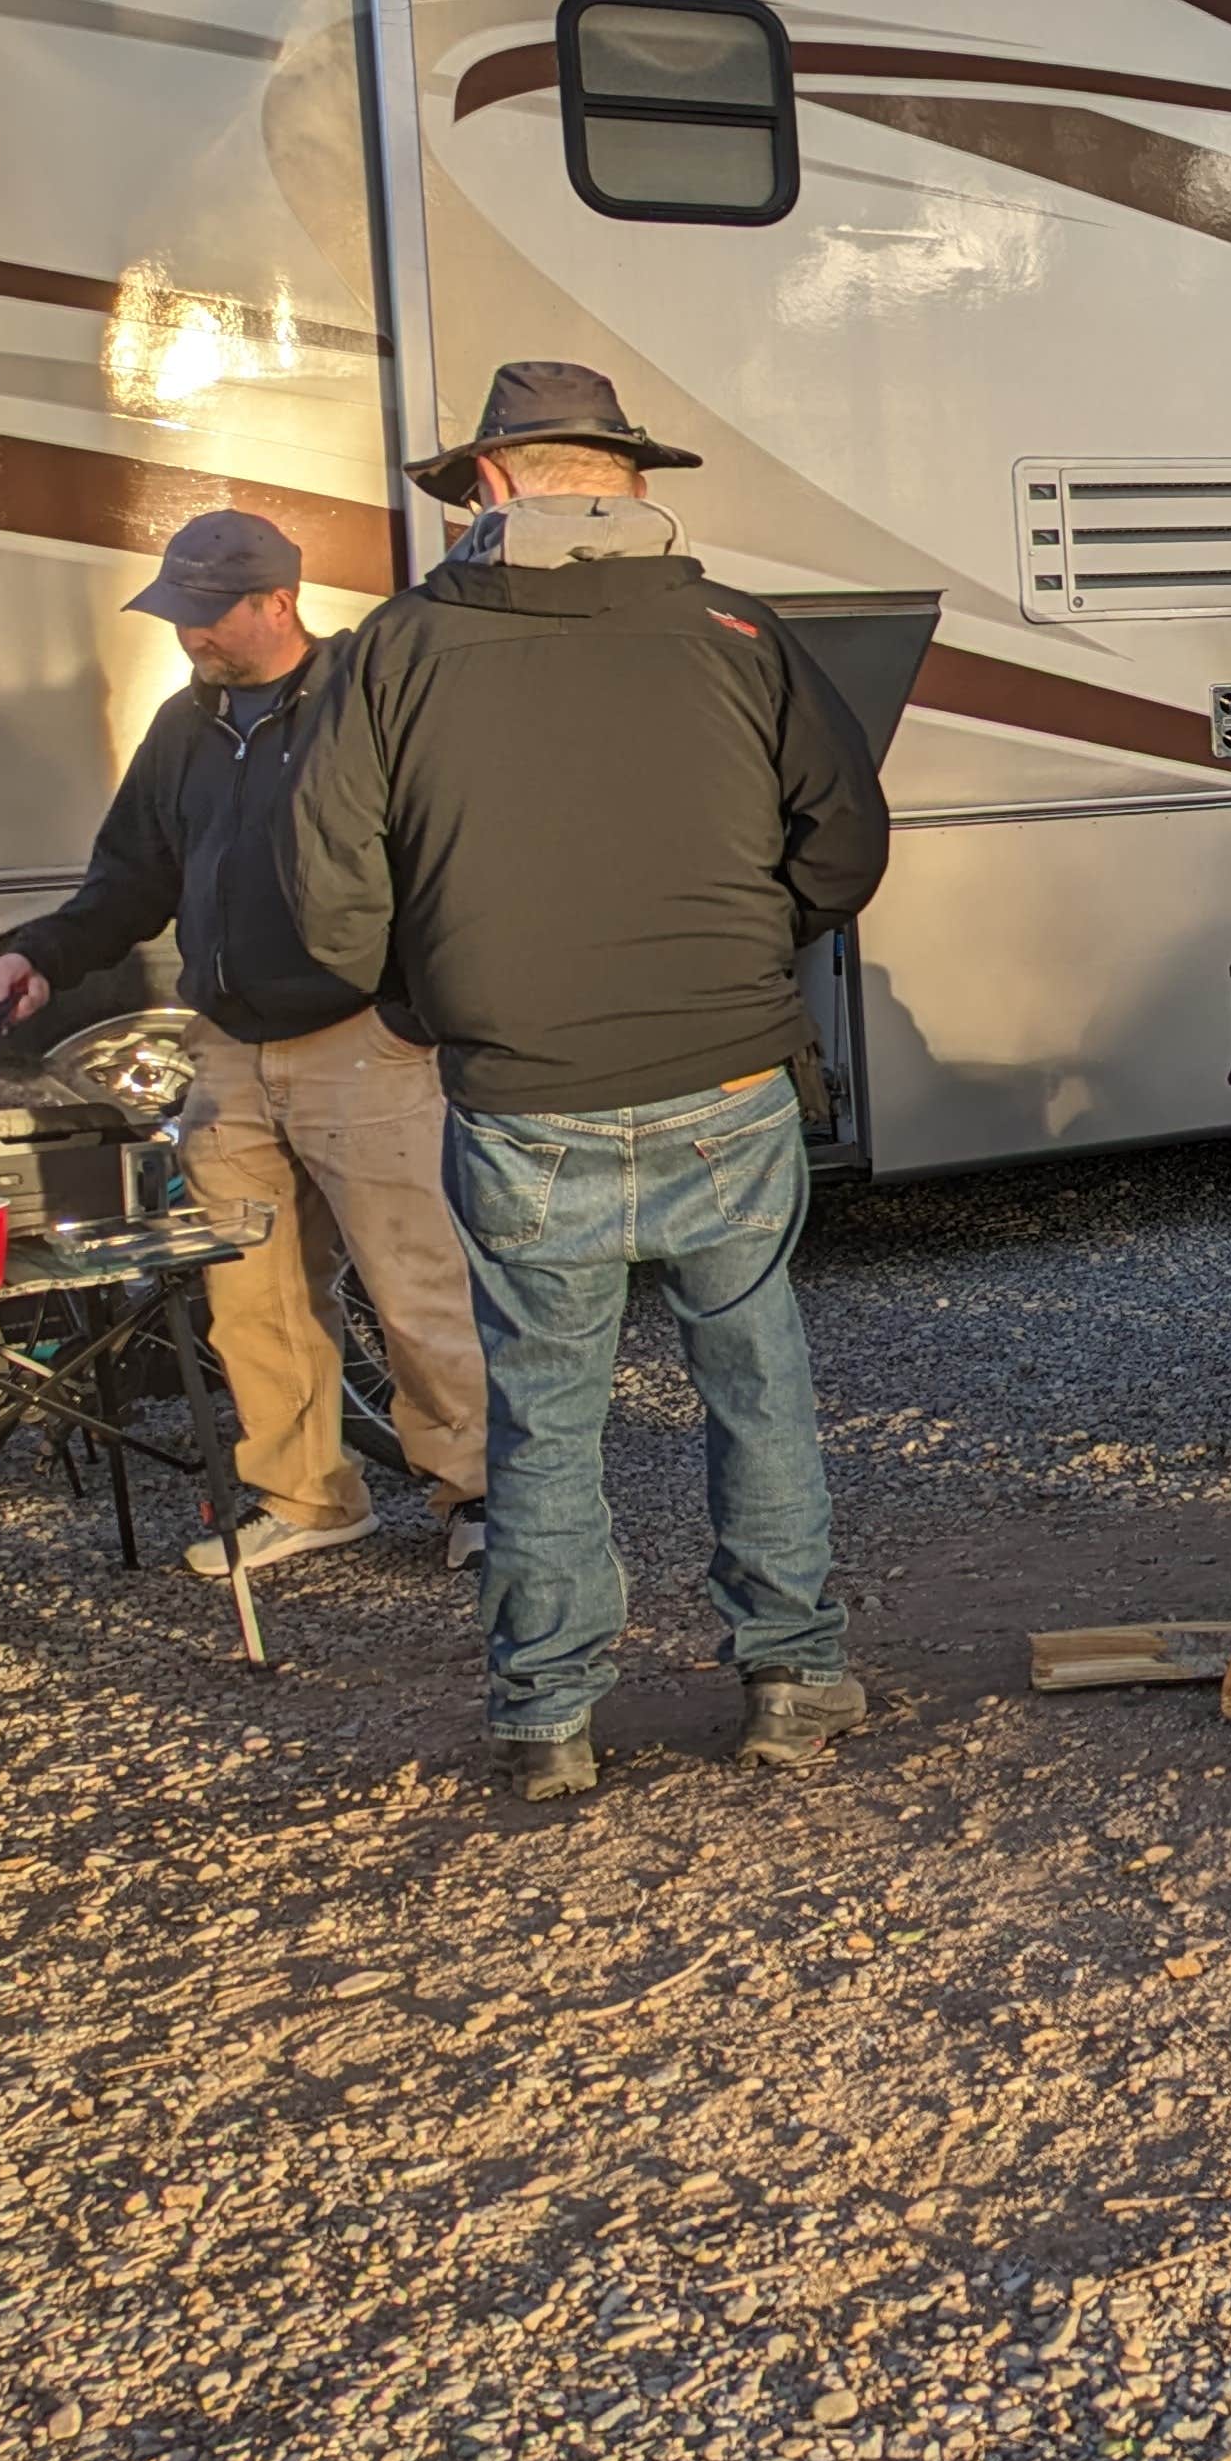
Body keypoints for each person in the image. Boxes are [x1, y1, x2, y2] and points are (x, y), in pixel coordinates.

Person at [284, 361, 890, 1803]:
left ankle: (546, 1715)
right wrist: (750, 958)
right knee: (757, 1377)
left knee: (544, 1408)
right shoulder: (738, 631)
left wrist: (431, 1000)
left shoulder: (395, 648)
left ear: (489, 482)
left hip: (522, 1093)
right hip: (727, 1072)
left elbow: (327, 897)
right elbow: (844, 844)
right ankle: (793, 1679)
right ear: (627, 481)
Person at [0, 510, 492, 1575]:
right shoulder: (183, 727)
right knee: (249, 1287)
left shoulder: (371, 699)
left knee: (417, 1282)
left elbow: (448, 858)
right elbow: (131, 877)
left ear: (279, 603)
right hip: (228, 1046)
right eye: (178, 616)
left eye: (209, 616)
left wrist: (411, 1009)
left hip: (365, 1041)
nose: (191, 637)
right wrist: (44, 954)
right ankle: (304, 1496)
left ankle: (481, 1493)